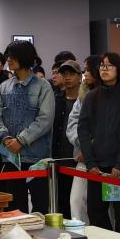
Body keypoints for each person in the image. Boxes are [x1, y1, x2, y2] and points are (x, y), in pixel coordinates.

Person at [74, 52, 120, 235]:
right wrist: (90, 163)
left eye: (110, 65)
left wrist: (119, 165)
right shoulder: (91, 96)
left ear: (119, 69)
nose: (105, 69)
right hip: (96, 168)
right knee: (95, 212)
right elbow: (83, 130)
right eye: (102, 65)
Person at [0, 39, 54, 212]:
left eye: (13, 56)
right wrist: (5, 137)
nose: (8, 60)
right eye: (8, 56)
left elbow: (45, 120)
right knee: (14, 210)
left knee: (40, 209)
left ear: (24, 58)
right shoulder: (4, 87)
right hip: (11, 157)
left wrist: (21, 140)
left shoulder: (43, 87)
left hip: (37, 159)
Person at [51, 60, 81, 216]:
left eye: (72, 74)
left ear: (80, 76)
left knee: (79, 204)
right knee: (61, 204)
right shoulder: (55, 100)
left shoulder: (86, 99)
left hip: (80, 160)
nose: (67, 77)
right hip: (59, 160)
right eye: (64, 74)